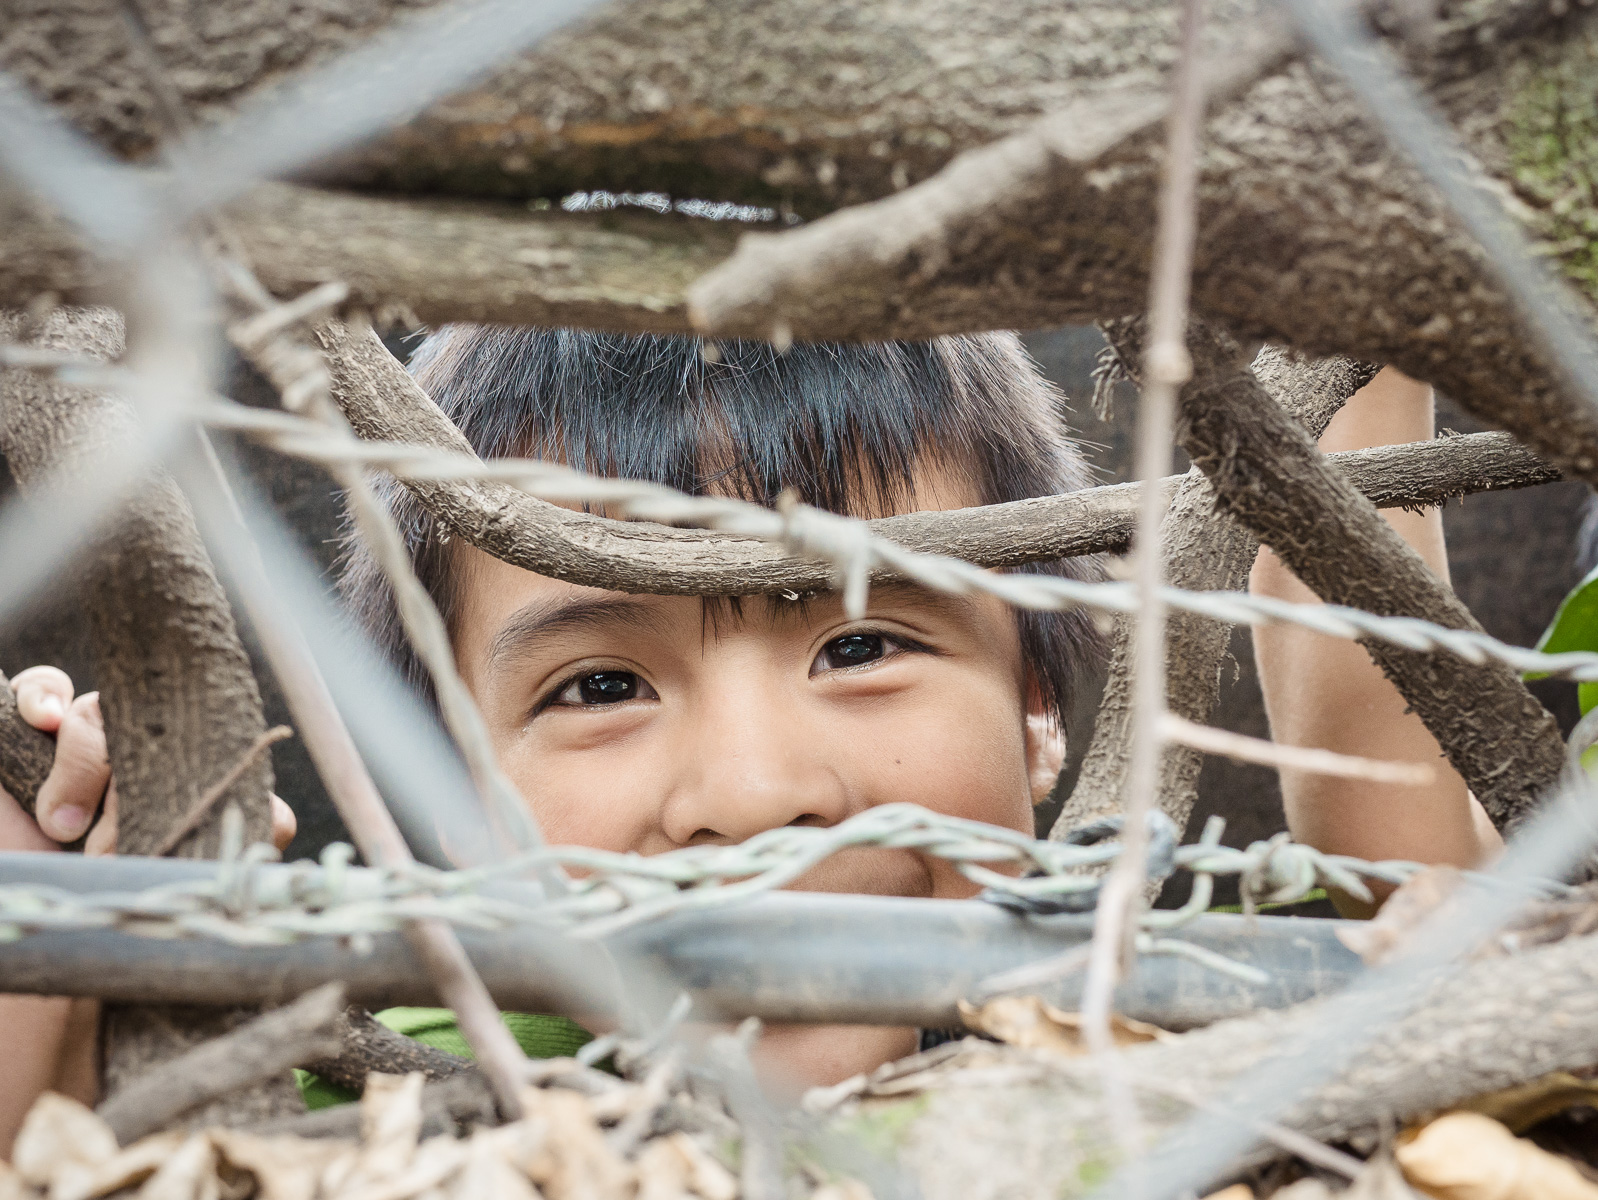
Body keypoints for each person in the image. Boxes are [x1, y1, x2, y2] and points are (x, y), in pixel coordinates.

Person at [0, 328, 1495, 1153]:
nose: (757, 796)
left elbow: (1406, 870)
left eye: (860, 646)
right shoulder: (371, 1101)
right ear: (462, 817)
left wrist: (1336, 340)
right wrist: (85, 954)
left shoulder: (1194, 1026)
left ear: (1045, 719)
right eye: (596, 688)